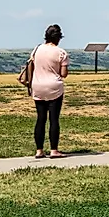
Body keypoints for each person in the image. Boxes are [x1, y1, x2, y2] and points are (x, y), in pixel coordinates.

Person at [30, 24, 69, 158]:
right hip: (54, 87)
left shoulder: (36, 50)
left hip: (38, 86)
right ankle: (54, 150)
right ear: (58, 38)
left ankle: (39, 150)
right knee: (54, 119)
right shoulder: (61, 53)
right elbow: (63, 74)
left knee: (40, 119)